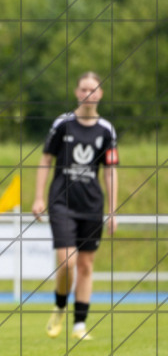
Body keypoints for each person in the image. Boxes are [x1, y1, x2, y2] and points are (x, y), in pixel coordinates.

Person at [32, 71, 119, 341]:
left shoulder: (106, 130)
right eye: (83, 89)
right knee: (67, 261)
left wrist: (113, 210)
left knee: (86, 265)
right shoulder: (63, 124)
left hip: (91, 205)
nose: (88, 94)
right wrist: (38, 197)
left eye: (93, 89)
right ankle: (60, 305)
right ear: (76, 92)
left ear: (100, 93)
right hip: (62, 202)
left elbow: (110, 171)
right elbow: (46, 160)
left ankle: (79, 325)